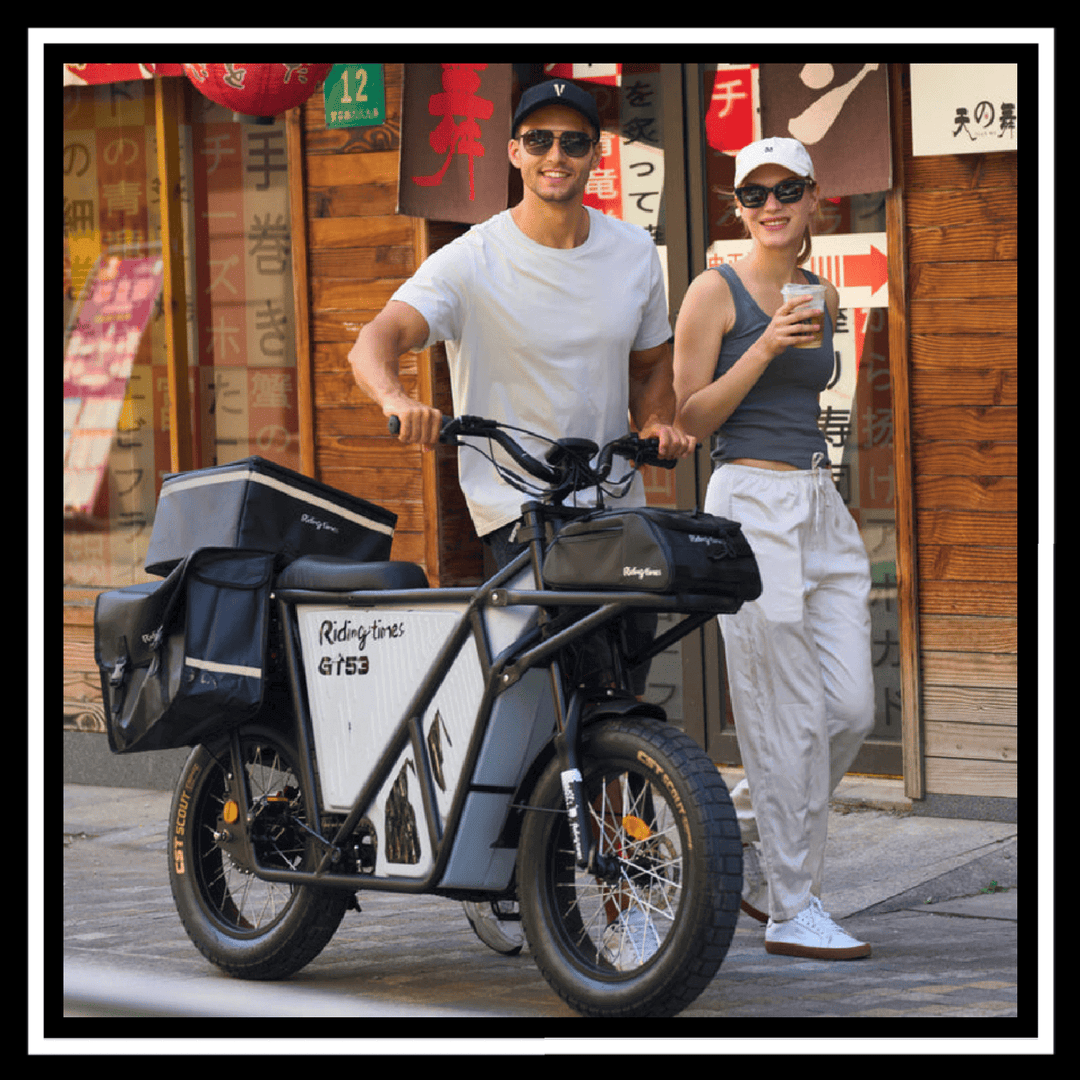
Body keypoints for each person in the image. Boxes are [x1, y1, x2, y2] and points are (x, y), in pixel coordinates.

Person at [349, 78, 693, 572]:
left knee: (629, 647)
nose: (556, 154)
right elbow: (375, 339)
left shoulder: (633, 250)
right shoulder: (472, 259)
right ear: (514, 152)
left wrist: (658, 421)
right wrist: (394, 397)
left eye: (573, 141)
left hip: (616, 501)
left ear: (595, 154)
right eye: (538, 140)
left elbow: (650, 367)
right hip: (518, 510)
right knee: (549, 647)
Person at [673, 137, 875, 960]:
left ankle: (745, 823)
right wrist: (760, 345)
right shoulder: (712, 291)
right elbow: (689, 418)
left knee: (850, 708)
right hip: (749, 504)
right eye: (753, 195)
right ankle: (792, 908)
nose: (770, 206)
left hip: (816, 501)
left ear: (812, 196)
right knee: (785, 714)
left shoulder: (822, 292)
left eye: (785, 189)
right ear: (739, 209)